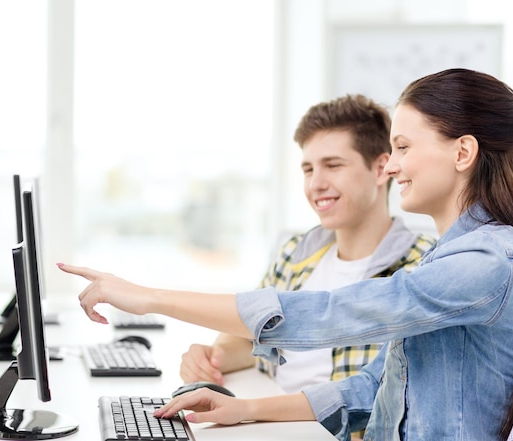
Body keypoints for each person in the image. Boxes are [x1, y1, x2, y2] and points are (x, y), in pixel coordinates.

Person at [58, 68, 513, 441]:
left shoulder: (484, 263)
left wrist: (146, 297)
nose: (393, 167)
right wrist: (248, 411)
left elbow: (332, 313)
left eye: (404, 148)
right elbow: (374, 387)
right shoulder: (458, 256)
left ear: (462, 152)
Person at [178, 94, 435, 396]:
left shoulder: (423, 264)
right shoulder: (296, 252)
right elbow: (248, 334)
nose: (316, 184)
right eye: (308, 169)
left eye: (333, 165)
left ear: (381, 169)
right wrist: (213, 357)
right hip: (272, 420)